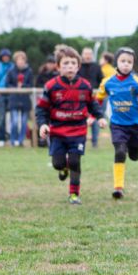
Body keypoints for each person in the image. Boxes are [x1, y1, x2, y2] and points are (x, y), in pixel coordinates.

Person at [37, 46, 106, 204]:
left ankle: (74, 194)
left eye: (73, 63)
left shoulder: (85, 85)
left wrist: (100, 117)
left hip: (78, 131)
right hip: (58, 132)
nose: (69, 66)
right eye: (66, 63)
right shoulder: (51, 86)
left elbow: (93, 104)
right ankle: (63, 168)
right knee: (58, 164)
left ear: (78, 66)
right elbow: (41, 108)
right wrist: (42, 124)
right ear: (58, 66)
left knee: (75, 161)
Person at [97, 47, 138, 199]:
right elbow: (97, 100)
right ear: (116, 62)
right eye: (123, 61)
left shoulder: (137, 83)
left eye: (129, 62)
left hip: (136, 126)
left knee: (134, 156)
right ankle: (118, 187)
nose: (126, 64)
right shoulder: (107, 82)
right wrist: (98, 116)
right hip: (117, 125)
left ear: (133, 64)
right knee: (120, 152)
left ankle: (135, 145)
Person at [6, 51, 33, 147]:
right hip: (14, 99)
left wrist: (23, 86)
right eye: (19, 59)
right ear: (15, 61)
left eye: (22, 59)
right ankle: (13, 140)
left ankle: (21, 141)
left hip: (25, 100)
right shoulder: (11, 71)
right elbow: (7, 84)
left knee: (24, 122)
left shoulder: (29, 71)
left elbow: (31, 84)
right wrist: (15, 87)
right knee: (14, 122)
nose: (20, 61)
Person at [78, 48, 103, 148]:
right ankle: (80, 141)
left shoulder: (97, 67)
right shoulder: (78, 67)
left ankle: (94, 142)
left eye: (89, 54)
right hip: (81, 97)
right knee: (81, 119)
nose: (88, 56)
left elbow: (101, 80)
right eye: (86, 54)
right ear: (82, 55)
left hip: (94, 97)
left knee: (95, 119)